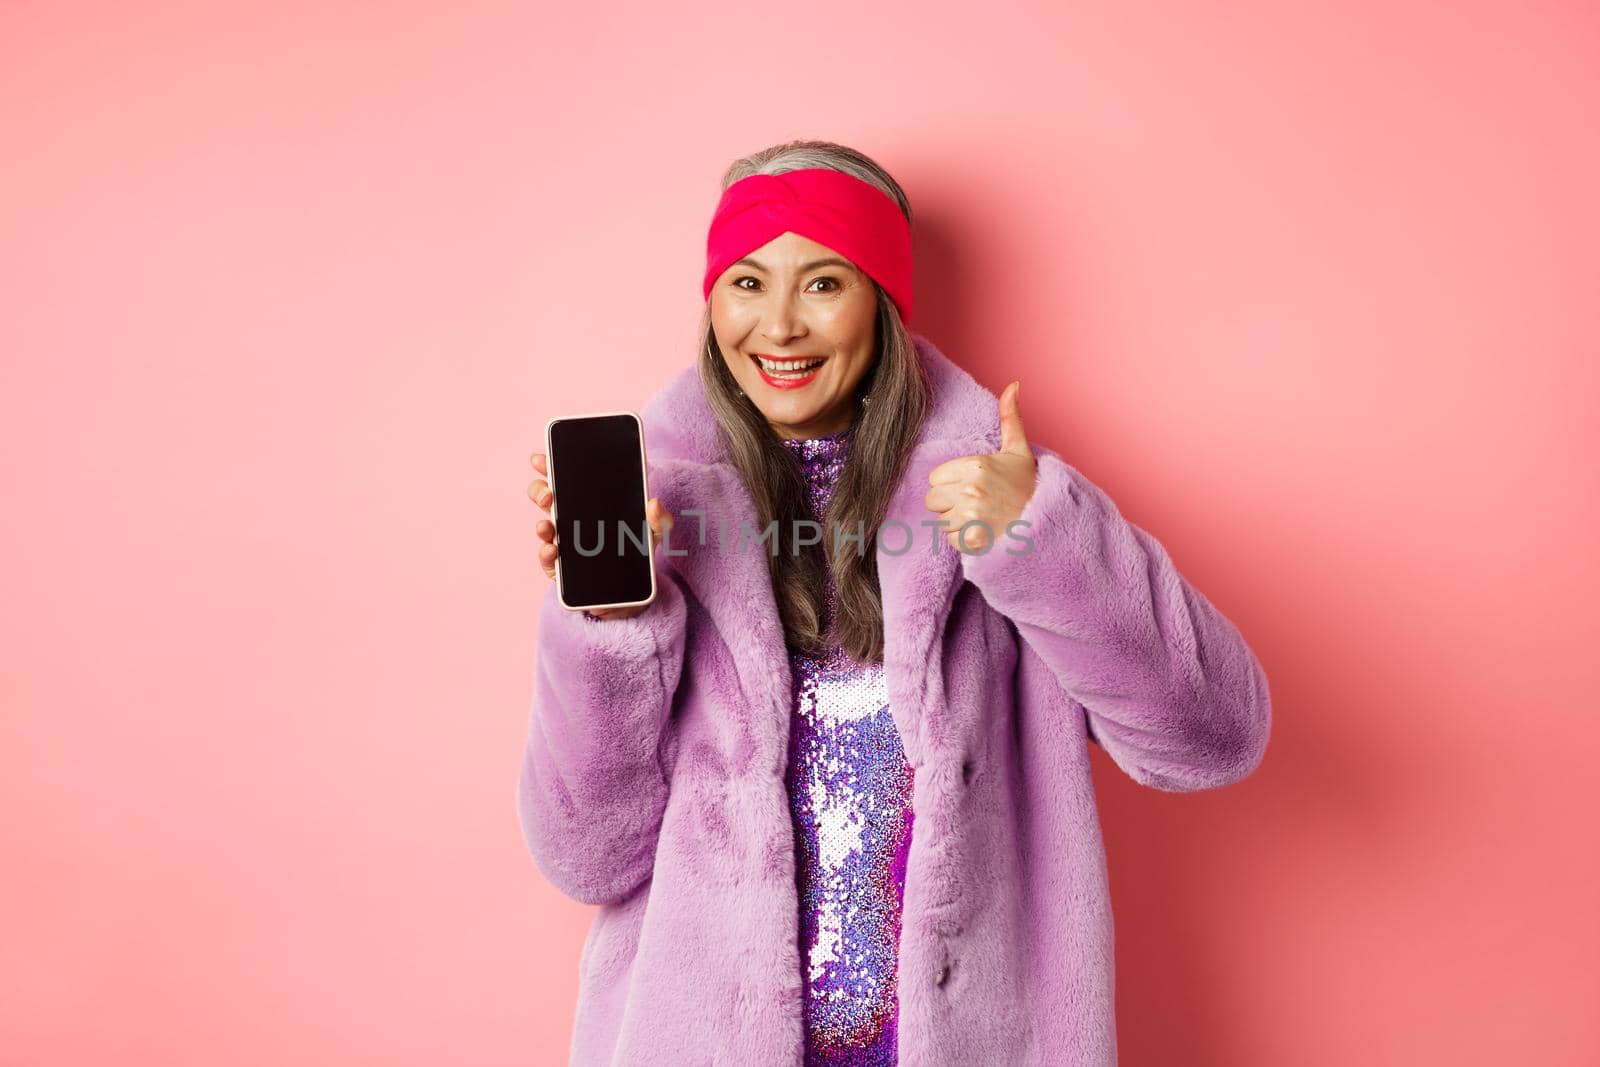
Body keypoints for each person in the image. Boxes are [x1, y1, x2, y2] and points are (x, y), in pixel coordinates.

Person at [518, 139, 1271, 1066]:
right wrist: (610, 624)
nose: (780, 326)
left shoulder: (992, 496)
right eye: (747, 283)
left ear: (883, 298)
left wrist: (1040, 536)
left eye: (824, 283)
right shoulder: (661, 523)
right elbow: (586, 854)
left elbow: (1213, 737)